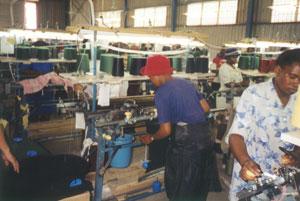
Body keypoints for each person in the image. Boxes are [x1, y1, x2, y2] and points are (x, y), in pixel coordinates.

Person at [139, 55, 221, 201]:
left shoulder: (161, 93)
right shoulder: (185, 83)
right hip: (205, 138)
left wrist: (151, 137)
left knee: (181, 186)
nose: (150, 79)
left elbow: (166, 131)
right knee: (199, 184)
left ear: (157, 74)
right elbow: (206, 108)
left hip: (187, 144)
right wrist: (186, 112)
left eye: (150, 76)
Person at [226, 48, 300, 201]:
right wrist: (245, 162)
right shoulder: (254, 95)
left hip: (285, 180)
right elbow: (236, 135)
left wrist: (296, 155)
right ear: (278, 70)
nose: (297, 83)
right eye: (293, 77)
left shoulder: (298, 99)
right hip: (252, 176)